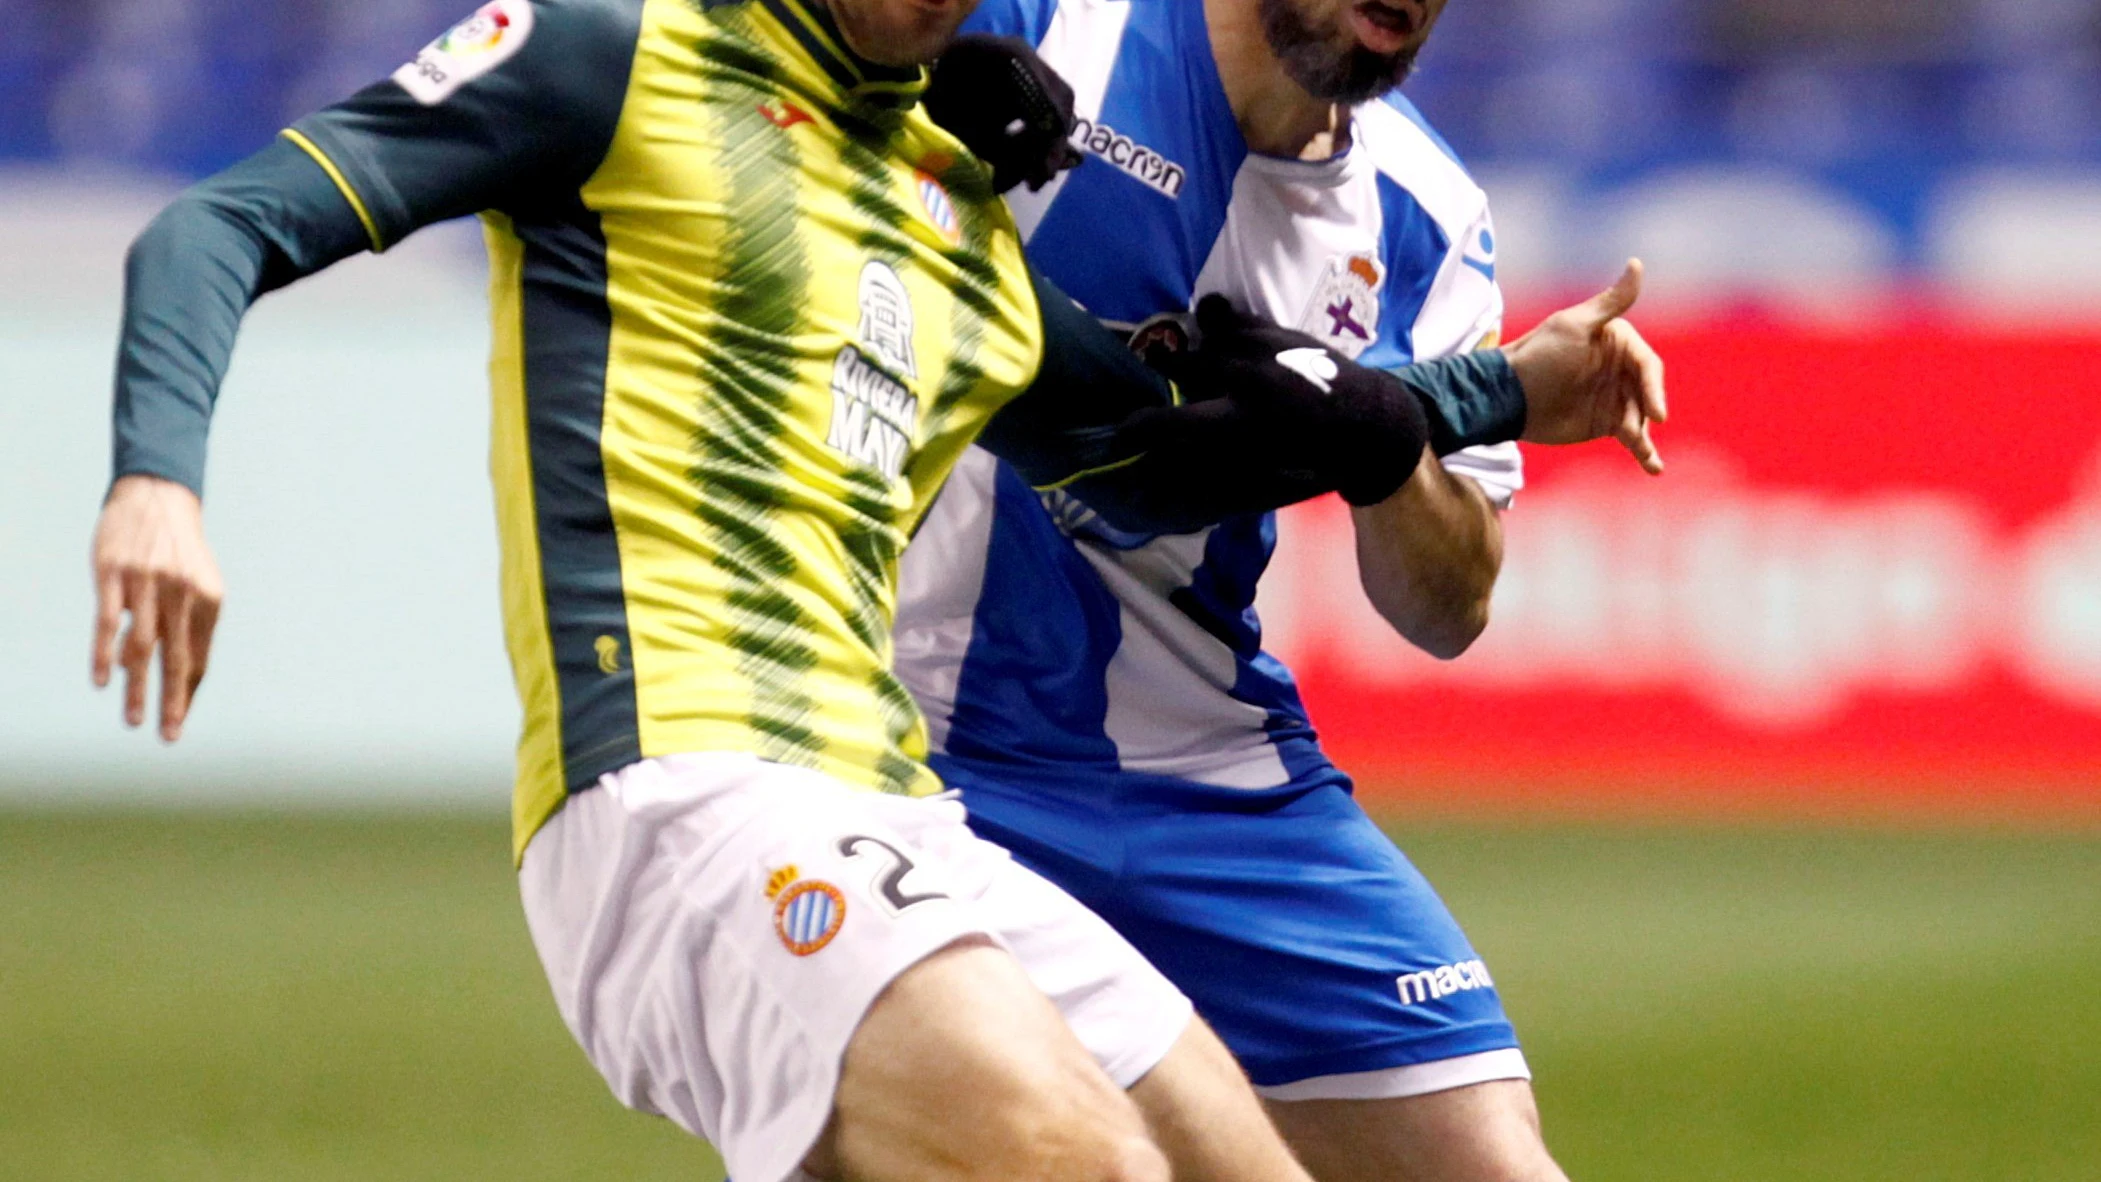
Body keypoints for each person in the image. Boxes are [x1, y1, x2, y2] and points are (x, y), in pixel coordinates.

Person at [85, 2, 1659, 1180]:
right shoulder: (614, 51)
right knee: (1078, 1160)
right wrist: (157, 479)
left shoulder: (953, 218)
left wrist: (1488, 396)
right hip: (682, 785)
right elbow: (221, 224)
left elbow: (1178, 450)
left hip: (903, 809)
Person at [894, 2, 1668, 1180]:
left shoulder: (1426, 213)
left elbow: (1446, 606)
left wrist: (1382, 444)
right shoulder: (1052, 27)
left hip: (1215, 779)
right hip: (909, 750)